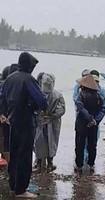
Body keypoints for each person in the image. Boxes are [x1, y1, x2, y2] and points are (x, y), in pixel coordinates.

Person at [0, 52, 47, 198]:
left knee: (13, 155)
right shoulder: (29, 80)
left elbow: (2, 98)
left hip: (11, 122)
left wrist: (3, 113)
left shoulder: (9, 78)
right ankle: (21, 190)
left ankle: (13, 186)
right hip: (26, 122)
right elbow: (42, 101)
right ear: (29, 66)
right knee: (25, 156)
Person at [34, 73, 66, 172]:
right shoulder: (58, 95)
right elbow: (61, 109)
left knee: (39, 142)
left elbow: (33, 108)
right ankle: (49, 163)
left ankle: (39, 164)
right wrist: (52, 117)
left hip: (42, 121)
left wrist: (43, 116)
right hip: (52, 123)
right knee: (51, 142)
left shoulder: (38, 94)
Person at [74, 74, 105, 172]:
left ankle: (79, 165)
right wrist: (95, 120)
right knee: (92, 145)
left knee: (79, 145)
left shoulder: (81, 94)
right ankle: (91, 165)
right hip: (94, 125)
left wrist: (89, 119)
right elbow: (103, 110)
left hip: (82, 123)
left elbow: (80, 107)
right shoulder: (99, 96)